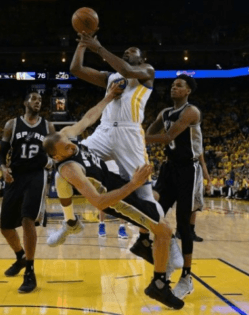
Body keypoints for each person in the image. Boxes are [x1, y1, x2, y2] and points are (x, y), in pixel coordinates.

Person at [43, 83, 184, 310]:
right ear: (57, 156)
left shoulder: (64, 137)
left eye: (70, 143)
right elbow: (99, 202)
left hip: (116, 182)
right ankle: (159, 284)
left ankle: (143, 241)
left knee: (155, 196)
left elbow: (88, 118)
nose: (72, 147)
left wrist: (108, 98)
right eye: (67, 149)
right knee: (165, 231)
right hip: (116, 199)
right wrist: (133, 183)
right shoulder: (69, 169)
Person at [49, 31, 157, 244]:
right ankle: (70, 222)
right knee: (63, 169)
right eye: (124, 52)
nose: (126, 54)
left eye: (131, 52)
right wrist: (82, 44)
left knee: (143, 193)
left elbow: (126, 69)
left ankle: (149, 238)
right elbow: (75, 69)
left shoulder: (147, 70)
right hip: (104, 131)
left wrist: (97, 47)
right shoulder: (111, 77)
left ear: (141, 59)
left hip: (129, 133)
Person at [144, 74, 211, 299]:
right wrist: (139, 135)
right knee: (154, 212)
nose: (174, 87)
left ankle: (187, 277)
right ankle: (172, 253)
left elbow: (166, 136)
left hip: (188, 171)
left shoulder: (192, 112)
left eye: (179, 85)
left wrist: (140, 139)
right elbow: (149, 131)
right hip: (169, 168)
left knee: (185, 225)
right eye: (173, 84)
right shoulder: (164, 113)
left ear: (188, 91)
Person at [0, 91, 55, 293]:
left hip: (36, 176)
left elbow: (54, 154)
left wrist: (49, 162)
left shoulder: (48, 126)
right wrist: (3, 169)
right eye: (34, 99)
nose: (38, 102)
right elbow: (1, 155)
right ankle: (20, 256)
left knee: (27, 220)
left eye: (40, 100)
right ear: (25, 102)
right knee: (5, 227)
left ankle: (29, 271)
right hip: (15, 176)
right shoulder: (12, 125)